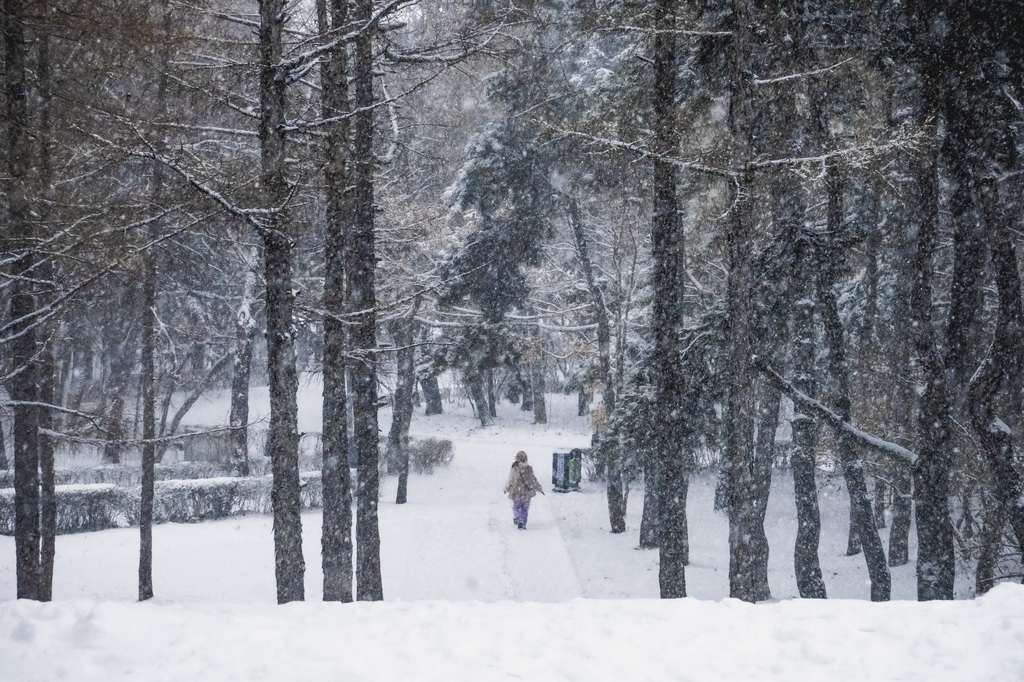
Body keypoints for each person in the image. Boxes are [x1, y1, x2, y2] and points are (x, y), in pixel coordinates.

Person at [503, 450, 545, 529]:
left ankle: (517, 517)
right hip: (526, 491)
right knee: (525, 507)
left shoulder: (514, 468)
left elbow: (510, 479)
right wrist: (539, 488)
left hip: (516, 490)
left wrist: (506, 488)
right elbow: (533, 479)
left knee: (517, 505)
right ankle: (522, 521)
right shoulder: (529, 468)